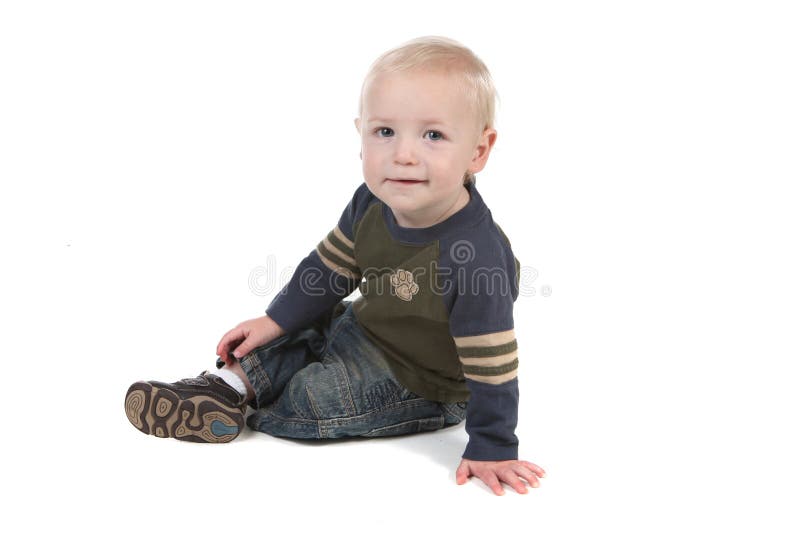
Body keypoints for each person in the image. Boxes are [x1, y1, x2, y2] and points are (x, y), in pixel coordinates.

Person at [124, 35, 546, 496]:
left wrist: (493, 444)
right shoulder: (371, 201)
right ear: (360, 133)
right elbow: (329, 268)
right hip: (364, 328)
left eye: (433, 135)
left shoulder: (475, 255)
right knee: (299, 331)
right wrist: (274, 320)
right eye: (385, 132)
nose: (404, 154)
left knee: (316, 397)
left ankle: (250, 409)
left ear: (478, 151)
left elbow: (493, 364)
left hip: (421, 380)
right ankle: (224, 388)